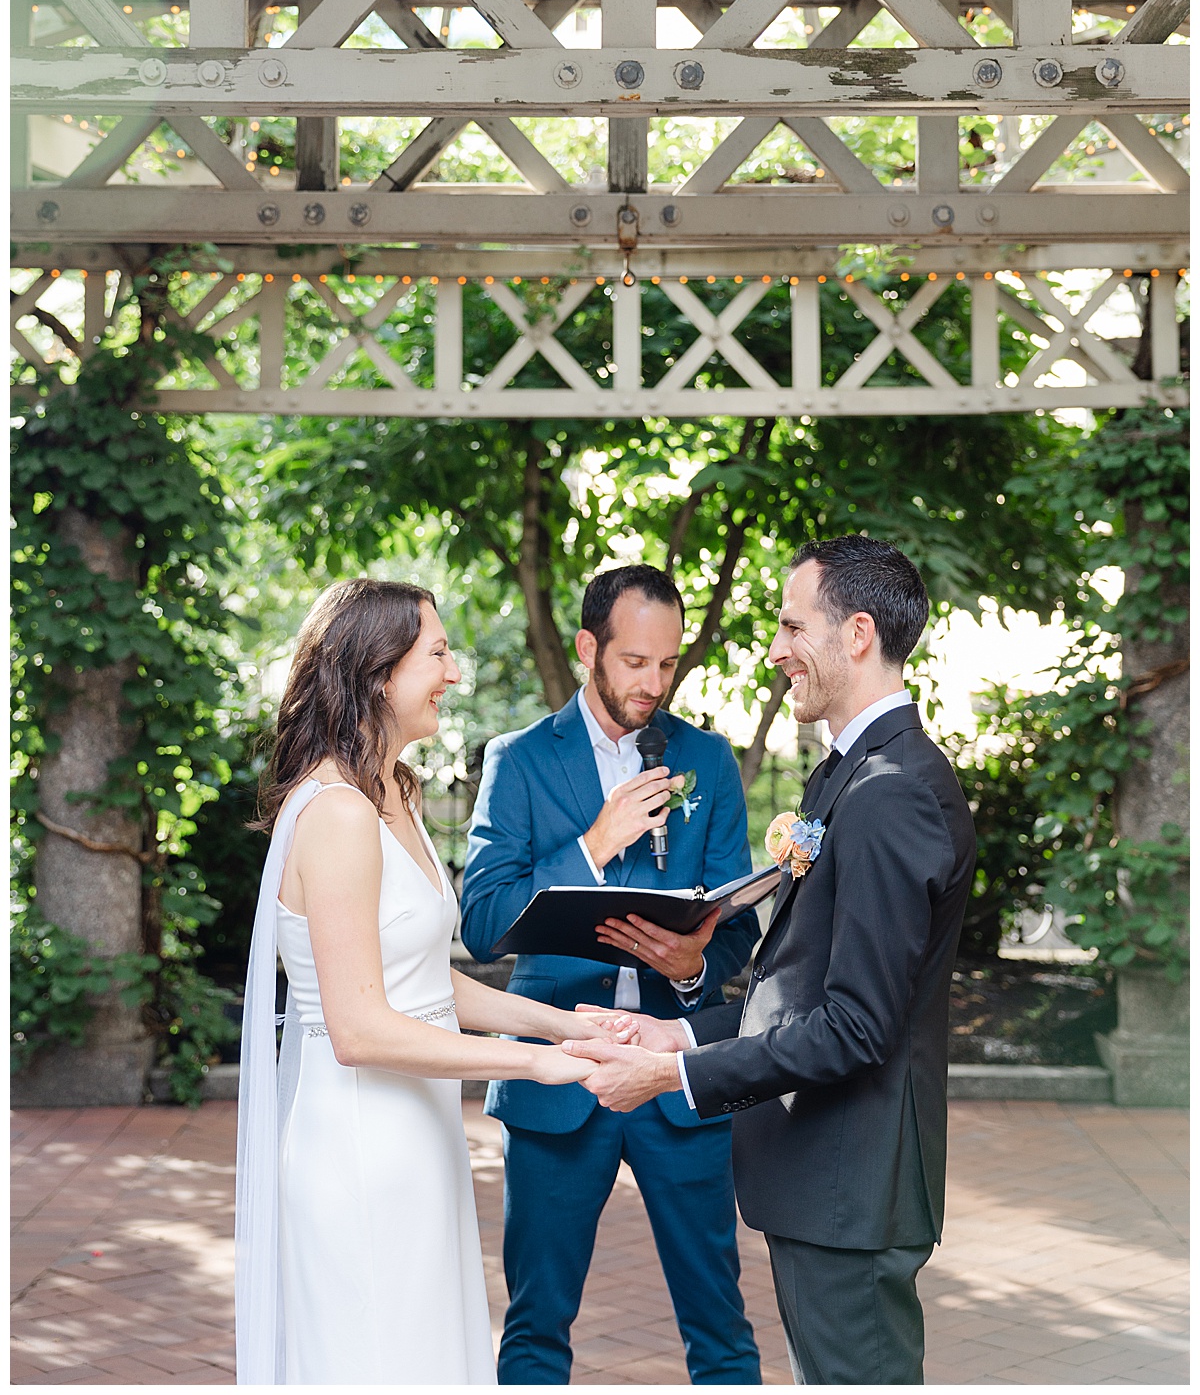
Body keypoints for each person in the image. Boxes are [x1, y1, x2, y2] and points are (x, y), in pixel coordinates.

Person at [564, 537, 977, 1387]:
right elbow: (803, 988)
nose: (777, 648)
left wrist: (678, 1077)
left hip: (852, 1187)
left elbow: (857, 1025)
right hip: (825, 1182)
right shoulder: (849, 774)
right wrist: (676, 1035)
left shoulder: (891, 788)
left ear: (857, 633)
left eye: (794, 625)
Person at [235, 578, 618, 1387]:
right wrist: (532, 1062)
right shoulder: (336, 812)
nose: (455, 672)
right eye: (438, 653)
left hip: (419, 1133)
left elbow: (422, 976)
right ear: (379, 673)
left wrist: (559, 1025)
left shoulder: (395, 792)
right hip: (360, 1143)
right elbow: (361, 1026)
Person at [460, 565, 763, 1385]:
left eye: (666, 665)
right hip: (559, 1074)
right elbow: (482, 922)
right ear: (589, 647)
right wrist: (592, 844)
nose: (652, 683)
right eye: (634, 661)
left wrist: (696, 965)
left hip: (673, 1077)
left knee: (721, 1325)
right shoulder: (518, 759)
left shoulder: (707, 759)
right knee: (534, 1325)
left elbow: (738, 936)